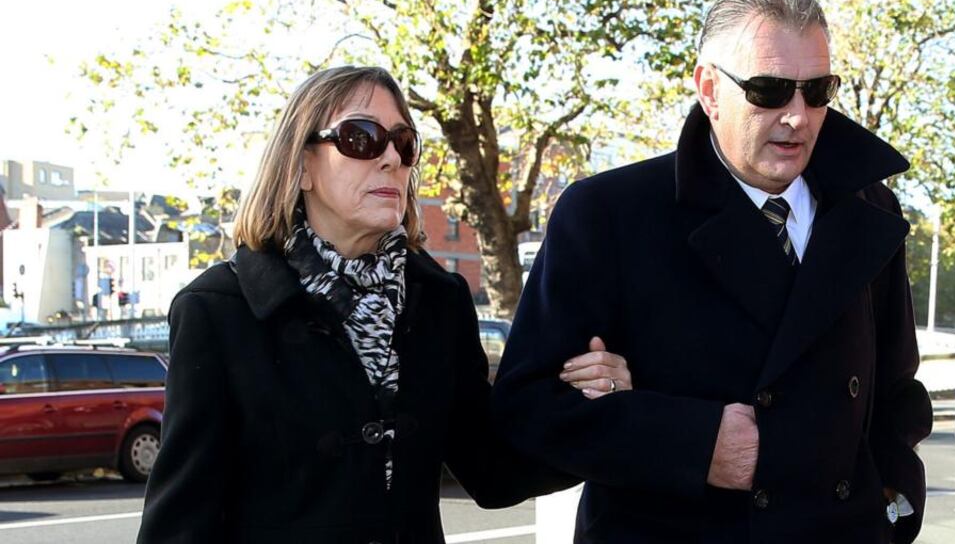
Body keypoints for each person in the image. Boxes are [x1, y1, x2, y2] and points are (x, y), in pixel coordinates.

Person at [491, 0, 932, 544]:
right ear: (709, 89)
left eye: (818, 89)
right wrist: (695, 444)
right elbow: (528, 409)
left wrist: (895, 502)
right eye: (770, 90)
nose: (798, 116)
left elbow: (896, 389)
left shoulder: (869, 210)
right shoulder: (610, 213)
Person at [136, 65, 634, 543]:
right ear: (302, 165)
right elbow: (181, 517)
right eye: (361, 138)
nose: (391, 159)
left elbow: (493, 470)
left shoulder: (438, 301)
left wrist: (596, 408)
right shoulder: (218, 310)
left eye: (404, 142)